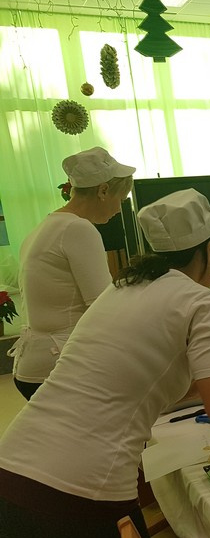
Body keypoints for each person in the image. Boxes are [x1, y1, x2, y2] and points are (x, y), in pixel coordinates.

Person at [0, 189, 210, 538]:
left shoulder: (120, 289)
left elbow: (134, 376)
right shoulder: (202, 300)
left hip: (11, 475)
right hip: (79, 494)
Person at [11, 147, 135, 400]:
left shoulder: (45, 226)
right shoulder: (78, 229)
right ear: (103, 191)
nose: (119, 210)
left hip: (32, 364)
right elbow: (102, 307)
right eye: (121, 200)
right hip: (57, 363)